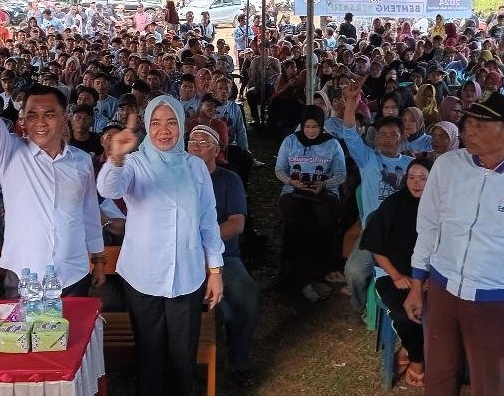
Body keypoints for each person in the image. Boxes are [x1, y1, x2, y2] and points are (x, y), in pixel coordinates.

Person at [406, 92, 504, 396]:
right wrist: (417, 283)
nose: (469, 130)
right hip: (442, 288)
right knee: (439, 374)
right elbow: (427, 225)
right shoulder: (447, 166)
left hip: (495, 298)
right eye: (469, 123)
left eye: (481, 124)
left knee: (488, 381)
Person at [98, 96, 224, 396]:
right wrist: (115, 157)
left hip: (187, 275)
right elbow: (108, 187)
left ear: (181, 125)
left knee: (183, 356)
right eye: (155, 123)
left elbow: (208, 219)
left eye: (170, 123)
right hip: (143, 276)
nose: (163, 130)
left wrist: (216, 269)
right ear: (147, 127)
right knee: (149, 354)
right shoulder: (134, 163)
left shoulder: (195, 166)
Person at [0, 49, 106, 299]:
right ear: (23, 121)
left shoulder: (81, 161)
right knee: (22, 339)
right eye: (32, 115)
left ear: (64, 118)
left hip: (73, 274)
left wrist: (99, 258)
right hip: (24, 276)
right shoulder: (10, 153)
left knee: (72, 338)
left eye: (49, 114)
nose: (41, 122)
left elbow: (89, 212)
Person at [187, 124, 258, 385]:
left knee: (245, 296)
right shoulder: (177, 178)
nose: (195, 146)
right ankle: (182, 361)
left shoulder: (229, 179)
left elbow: (236, 223)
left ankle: (237, 360)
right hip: (183, 258)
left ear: (217, 150)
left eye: (203, 142)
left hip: (224, 257)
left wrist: (202, 244)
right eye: (191, 141)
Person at [337, 78, 412, 315]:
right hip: (373, 235)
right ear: (376, 136)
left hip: (404, 236)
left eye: (394, 134)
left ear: (403, 137)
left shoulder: (413, 166)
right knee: (354, 271)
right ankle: (359, 304)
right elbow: (349, 133)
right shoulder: (368, 159)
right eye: (383, 134)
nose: (388, 138)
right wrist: (351, 103)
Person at [360, 157, 433, 387]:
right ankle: (418, 358)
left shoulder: (440, 207)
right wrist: (397, 276)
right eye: (411, 177)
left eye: (423, 178)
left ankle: (408, 349)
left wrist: (429, 278)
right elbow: (374, 245)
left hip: (429, 279)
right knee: (406, 314)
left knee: (441, 311)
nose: (416, 183)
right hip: (392, 277)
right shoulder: (393, 204)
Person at [275, 105, 347, 302]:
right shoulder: (290, 141)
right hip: (293, 191)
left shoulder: (332, 144)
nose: (311, 131)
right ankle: (293, 273)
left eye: (315, 127)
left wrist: (324, 183)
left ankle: (316, 270)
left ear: (322, 126)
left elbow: (341, 174)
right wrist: (292, 181)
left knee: (323, 221)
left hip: (323, 191)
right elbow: (279, 169)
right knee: (295, 221)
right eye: (307, 127)